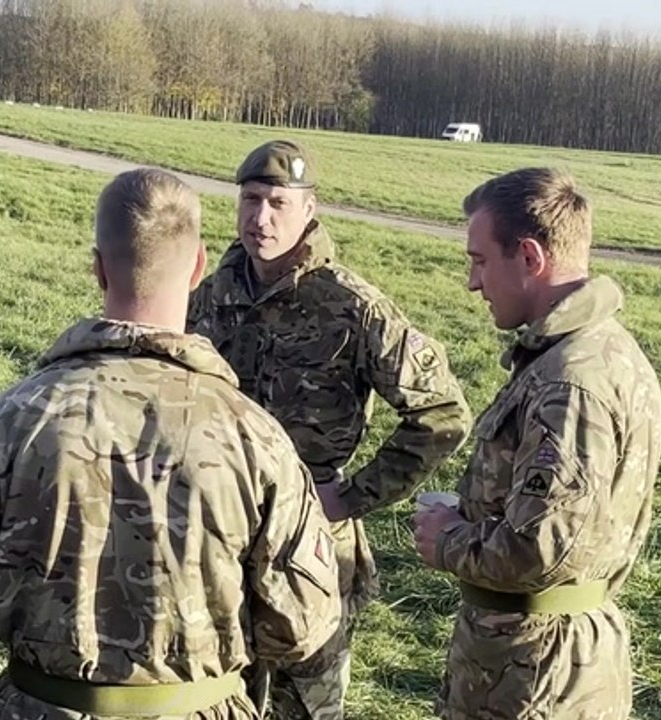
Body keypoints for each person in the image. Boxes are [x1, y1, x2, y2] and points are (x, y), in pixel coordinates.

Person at [0, 168, 343, 719]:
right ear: (198, 268)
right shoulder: (255, 436)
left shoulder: (13, 419)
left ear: (98, 267)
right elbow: (302, 623)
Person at [187, 140, 472, 719]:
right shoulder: (207, 299)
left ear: (309, 209)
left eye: (277, 203)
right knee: (213, 693)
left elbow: (442, 414)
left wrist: (351, 496)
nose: (260, 218)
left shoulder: (351, 306)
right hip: (219, 528)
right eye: (250, 200)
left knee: (306, 703)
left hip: (308, 542)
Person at [413, 167, 661, 720]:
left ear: (529, 257)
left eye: (480, 261)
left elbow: (543, 548)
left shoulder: (569, 382)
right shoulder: (594, 351)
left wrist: (447, 539)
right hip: (534, 659)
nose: (473, 283)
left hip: (535, 673)